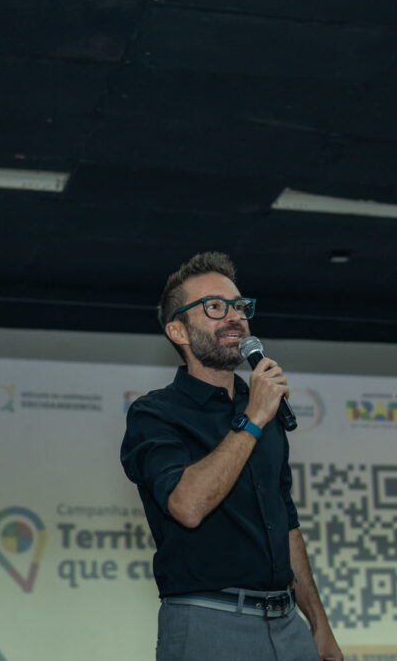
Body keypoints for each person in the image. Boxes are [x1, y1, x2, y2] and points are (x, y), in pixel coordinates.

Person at [121, 252, 343, 661]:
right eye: (215, 307)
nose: (235, 317)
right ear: (178, 331)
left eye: (239, 306)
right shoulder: (155, 414)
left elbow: (285, 522)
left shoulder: (262, 405)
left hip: (287, 624)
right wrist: (254, 417)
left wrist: (318, 623)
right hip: (209, 622)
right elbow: (188, 506)